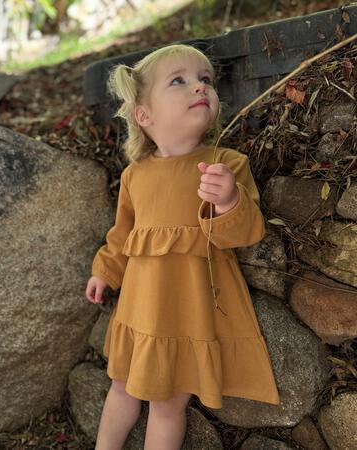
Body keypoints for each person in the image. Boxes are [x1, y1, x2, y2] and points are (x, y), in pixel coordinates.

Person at [84, 43, 281, 450]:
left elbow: (244, 233)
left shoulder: (226, 164)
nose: (199, 87)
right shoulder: (136, 175)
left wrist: (228, 201)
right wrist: (105, 270)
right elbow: (122, 235)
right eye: (180, 80)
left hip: (189, 313)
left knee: (169, 406)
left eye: (205, 79)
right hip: (141, 312)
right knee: (121, 388)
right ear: (145, 115)